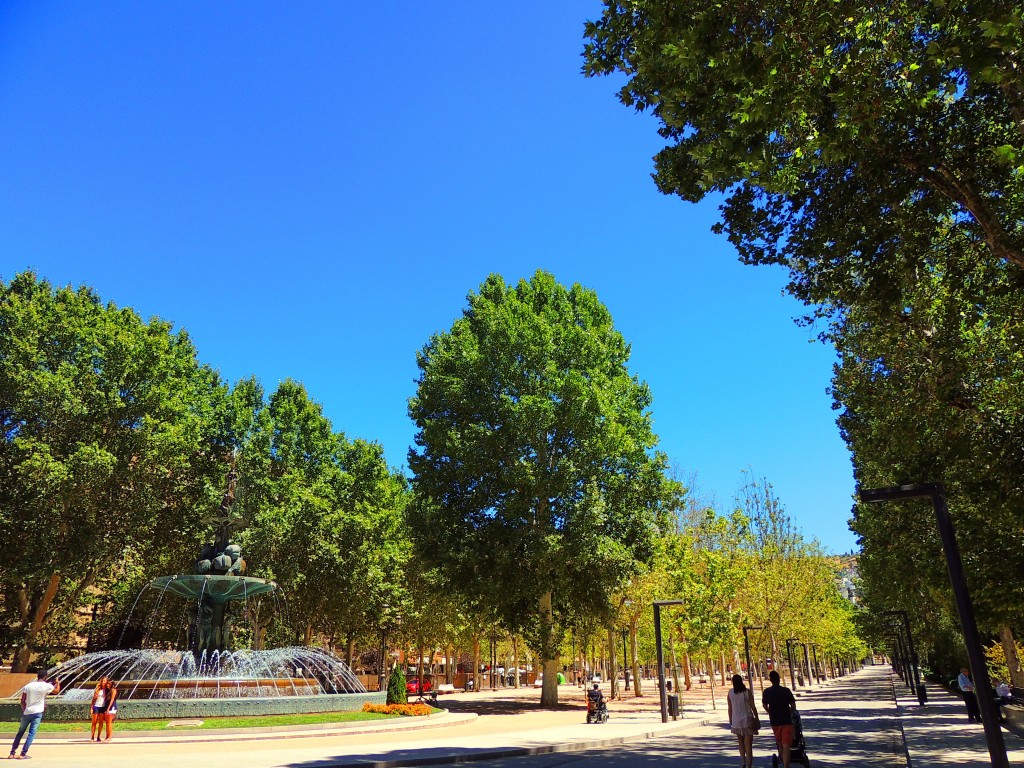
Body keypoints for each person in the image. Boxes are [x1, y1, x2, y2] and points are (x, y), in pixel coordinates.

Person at [9, 670, 60, 759]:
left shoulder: (28, 686)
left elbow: (22, 701)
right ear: (45, 677)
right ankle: (22, 754)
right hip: (37, 713)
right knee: (31, 734)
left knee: (20, 733)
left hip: (27, 712)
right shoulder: (46, 686)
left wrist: (25, 710)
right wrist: (58, 683)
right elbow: (57, 691)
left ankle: (12, 753)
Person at [762, 670, 797, 768]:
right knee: (786, 744)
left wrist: (770, 712)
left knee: (779, 743)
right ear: (779, 679)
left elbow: (765, 705)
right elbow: (793, 705)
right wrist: (789, 712)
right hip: (786, 720)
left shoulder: (767, 692)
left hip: (775, 721)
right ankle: (786, 765)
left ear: (770, 680)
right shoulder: (786, 691)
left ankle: (782, 759)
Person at [727, 674, 758, 768]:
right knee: (748, 744)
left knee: (740, 743)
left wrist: (730, 720)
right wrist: (756, 717)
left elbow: (730, 708)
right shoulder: (747, 692)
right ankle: (749, 764)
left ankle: (743, 762)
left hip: (736, 721)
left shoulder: (730, 693)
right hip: (747, 720)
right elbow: (753, 706)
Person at [90, 677, 110, 741]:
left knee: (101, 722)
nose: (103, 682)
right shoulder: (98, 689)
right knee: (94, 722)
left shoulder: (107, 690)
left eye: (105, 681)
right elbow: (93, 699)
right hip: (96, 706)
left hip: (103, 707)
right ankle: (92, 737)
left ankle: (98, 736)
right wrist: (91, 707)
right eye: (102, 681)